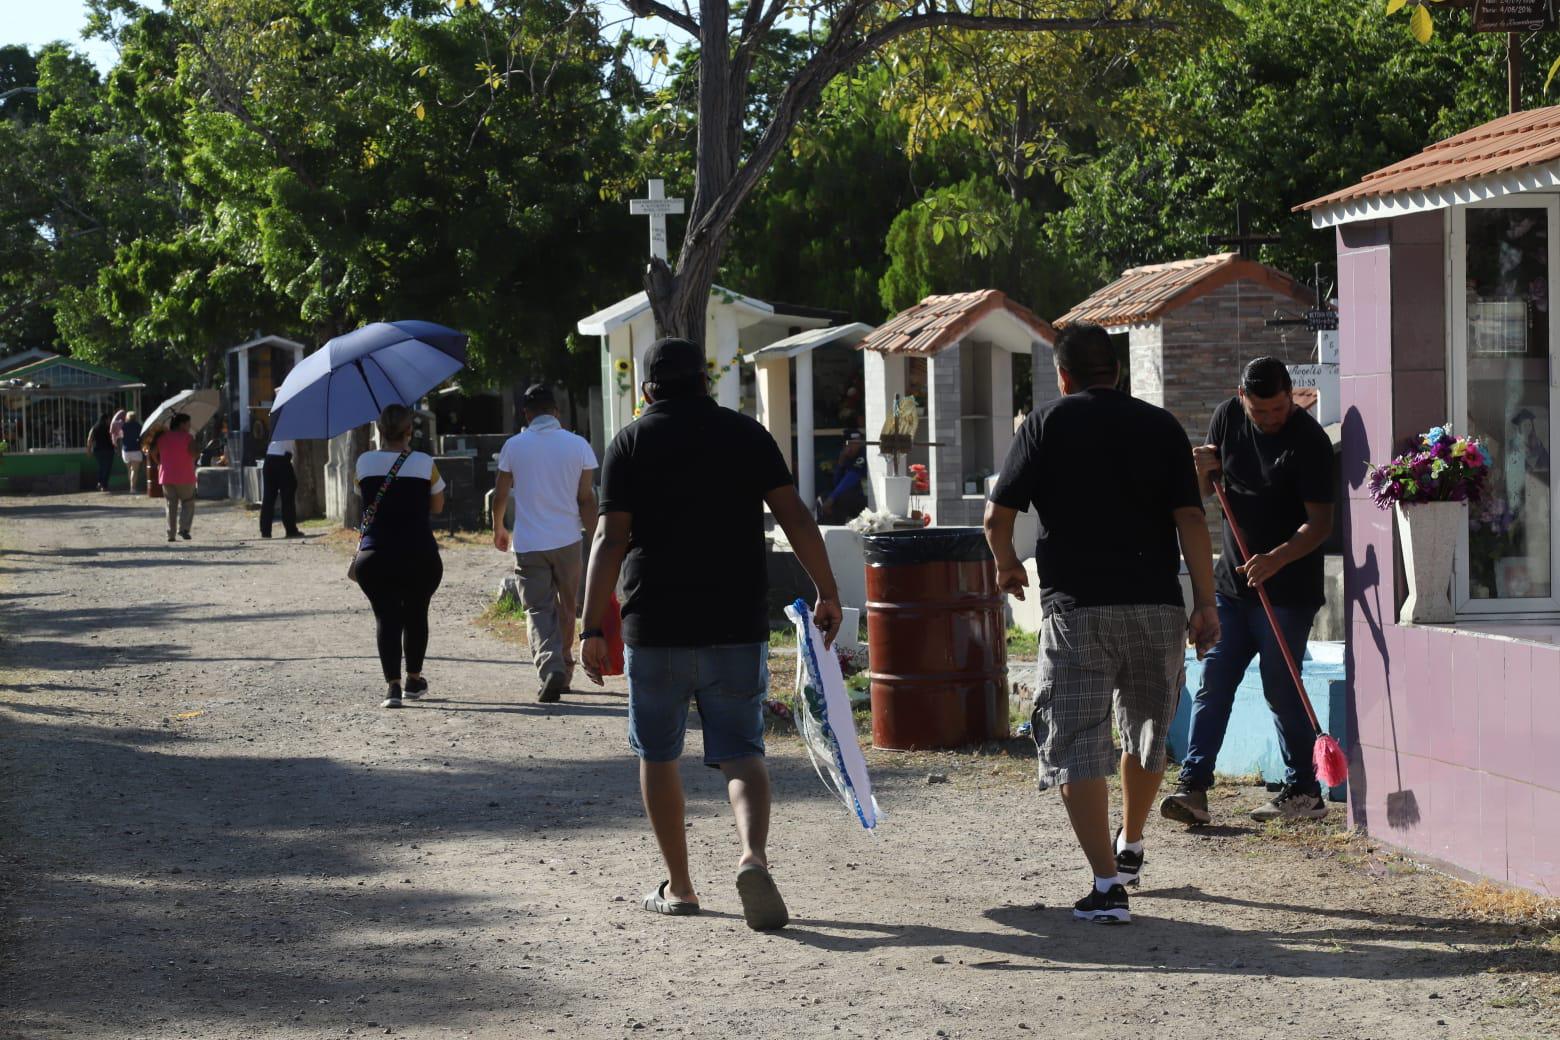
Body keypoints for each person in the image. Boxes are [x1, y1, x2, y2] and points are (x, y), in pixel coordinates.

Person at [579, 337, 842, 931]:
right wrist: (828, 590)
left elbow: (609, 539)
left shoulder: (631, 441)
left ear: (647, 390)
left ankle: (682, 886)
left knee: (658, 754)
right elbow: (796, 516)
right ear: (707, 382)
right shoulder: (746, 434)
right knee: (743, 753)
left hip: (656, 627)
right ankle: (752, 856)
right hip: (735, 623)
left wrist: (593, 625)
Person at [984, 321, 1218, 925]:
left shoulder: (1044, 424)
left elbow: (996, 517)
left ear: (1063, 376)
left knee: (1077, 742)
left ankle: (1107, 886)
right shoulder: (1162, 427)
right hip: (1156, 607)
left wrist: (1008, 566)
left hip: (1077, 611)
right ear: (1116, 369)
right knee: (1148, 729)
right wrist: (1206, 602)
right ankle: (1132, 842)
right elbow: (1192, 520)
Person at [1160, 357, 1335, 827]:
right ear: (1242, 398)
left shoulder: (1310, 442)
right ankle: (1193, 787)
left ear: (1290, 397)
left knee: (1282, 687)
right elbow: (1206, 492)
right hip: (1233, 585)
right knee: (1214, 679)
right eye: (1261, 412)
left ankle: (1304, 792)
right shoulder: (1227, 418)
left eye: (1278, 410)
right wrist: (1200, 472)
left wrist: (1277, 557)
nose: (1271, 420)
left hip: (1289, 590)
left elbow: (1320, 524)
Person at [492, 384, 598, 703]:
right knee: (568, 606)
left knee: (538, 607)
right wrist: (596, 537)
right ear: (556, 412)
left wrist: (498, 527)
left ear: (526, 413)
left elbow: (499, 495)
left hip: (529, 541)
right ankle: (564, 668)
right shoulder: (578, 445)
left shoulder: (514, 446)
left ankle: (549, 664)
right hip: (568, 539)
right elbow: (586, 499)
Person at [354, 404, 446, 709]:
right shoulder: (423, 462)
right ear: (410, 431)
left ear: (380, 431)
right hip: (419, 552)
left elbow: (363, 498)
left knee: (386, 616)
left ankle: (391, 686)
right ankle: (413, 679)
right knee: (416, 612)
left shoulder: (364, 462)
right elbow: (437, 507)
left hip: (375, 554)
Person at [153, 414, 200, 541]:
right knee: (188, 502)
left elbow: (153, 452)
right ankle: (184, 529)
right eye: (188, 424)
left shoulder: (161, 437)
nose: (189, 426)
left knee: (170, 504)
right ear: (181, 424)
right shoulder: (188, 437)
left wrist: (160, 463)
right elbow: (193, 454)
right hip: (185, 475)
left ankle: (171, 534)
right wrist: (197, 449)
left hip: (167, 476)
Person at [817, 430, 868, 522]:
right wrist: (841, 463)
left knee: (839, 498)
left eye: (856, 443)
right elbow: (836, 483)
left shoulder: (863, 454)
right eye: (849, 444)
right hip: (852, 496)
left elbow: (852, 478)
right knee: (823, 497)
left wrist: (831, 498)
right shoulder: (847, 457)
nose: (852, 447)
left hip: (866, 497)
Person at [260, 435, 304, 539]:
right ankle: (290, 529)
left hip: (269, 458)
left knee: (269, 497)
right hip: (282, 459)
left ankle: (265, 531)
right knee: (287, 495)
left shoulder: (277, 425)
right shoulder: (291, 425)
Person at [86, 413, 116, 492]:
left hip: (98, 451)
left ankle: (100, 482)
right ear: (106, 419)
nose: (109, 421)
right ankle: (103, 485)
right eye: (109, 419)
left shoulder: (94, 428)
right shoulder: (109, 428)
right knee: (107, 468)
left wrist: (89, 450)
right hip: (108, 450)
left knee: (101, 467)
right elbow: (114, 439)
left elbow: (89, 439)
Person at [120, 411, 144, 494]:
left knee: (129, 470)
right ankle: (132, 488)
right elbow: (142, 437)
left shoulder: (123, 426)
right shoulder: (138, 426)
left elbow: (120, 437)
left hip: (126, 450)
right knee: (134, 470)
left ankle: (131, 486)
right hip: (136, 450)